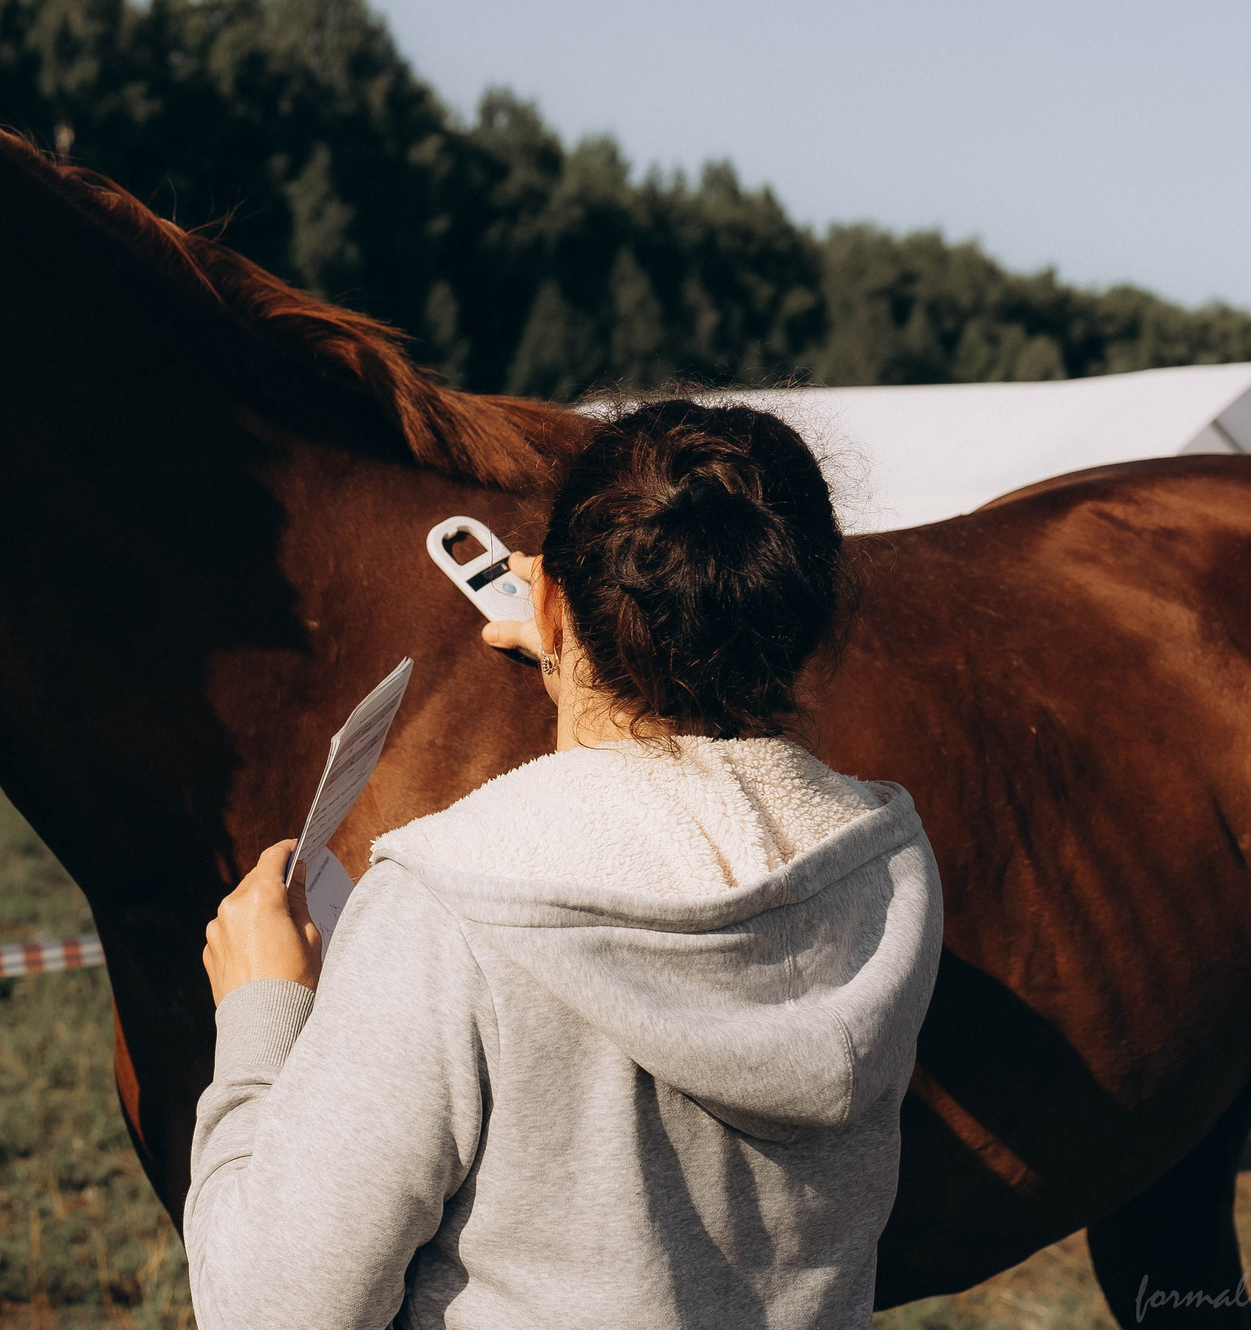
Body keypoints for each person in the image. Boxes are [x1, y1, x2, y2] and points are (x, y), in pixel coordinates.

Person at [186, 399, 944, 1329]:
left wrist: (262, 1019)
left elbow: (268, 1311)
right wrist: (583, 645)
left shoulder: (448, 908)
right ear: (811, 621)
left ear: (546, 598)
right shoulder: (887, 863)